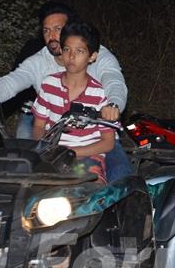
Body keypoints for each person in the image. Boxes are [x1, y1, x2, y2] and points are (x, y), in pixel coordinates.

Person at [0, 1, 132, 182]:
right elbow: (11, 82)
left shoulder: (96, 54)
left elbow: (114, 81)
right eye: (46, 31)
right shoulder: (39, 62)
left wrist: (114, 104)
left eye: (58, 29)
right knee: (21, 169)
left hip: (92, 128)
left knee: (120, 174)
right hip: (44, 119)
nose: (52, 36)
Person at [31, 21, 114, 182]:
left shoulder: (99, 93)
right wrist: (45, 148)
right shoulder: (49, 84)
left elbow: (108, 143)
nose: (71, 56)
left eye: (79, 51)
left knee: (90, 191)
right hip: (52, 156)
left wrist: (72, 151)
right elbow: (38, 126)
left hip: (87, 156)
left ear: (92, 56)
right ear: (61, 51)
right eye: (67, 49)